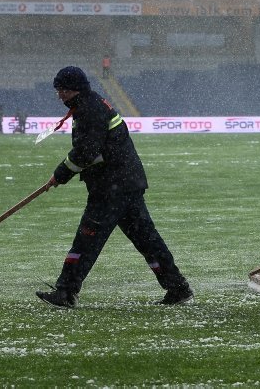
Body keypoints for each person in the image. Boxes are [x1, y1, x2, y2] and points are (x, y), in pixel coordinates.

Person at [36, 66, 193, 308]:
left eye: (63, 91)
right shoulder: (90, 104)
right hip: (125, 183)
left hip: (111, 188)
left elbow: (86, 152)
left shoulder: (89, 110)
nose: (59, 96)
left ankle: (66, 292)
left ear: (75, 89)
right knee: (147, 240)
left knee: (87, 240)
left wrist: (60, 174)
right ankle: (178, 288)